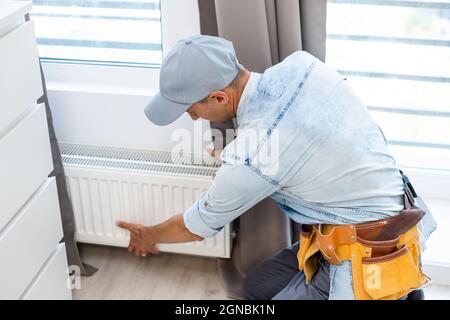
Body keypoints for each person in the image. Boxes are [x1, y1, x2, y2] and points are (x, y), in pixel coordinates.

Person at [117, 35, 436, 300]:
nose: (193, 118)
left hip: (365, 257)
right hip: (389, 220)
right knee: (257, 287)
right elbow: (299, 136)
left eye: (192, 109)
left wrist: (147, 235)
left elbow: (194, 226)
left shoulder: (252, 156)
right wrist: (237, 155)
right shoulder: (302, 65)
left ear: (217, 97)